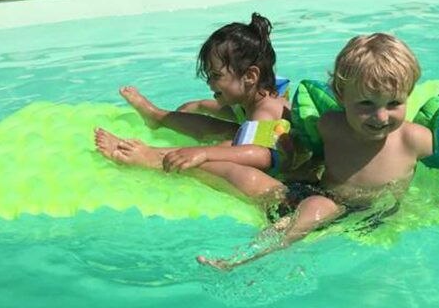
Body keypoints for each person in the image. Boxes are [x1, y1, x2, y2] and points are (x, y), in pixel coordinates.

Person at [196, 33, 439, 270]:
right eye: (366, 104)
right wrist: (298, 164)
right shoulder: (330, 125)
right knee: (250, 179)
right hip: (323, 195)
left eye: (394, 104)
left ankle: (243, 258)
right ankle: (187, 161)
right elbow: (314, 155)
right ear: (341, 96)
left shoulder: (413, 138)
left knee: (316, 207)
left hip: (371, 213)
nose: (381, 117)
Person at [94, 13, 298, 195]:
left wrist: (204, 152)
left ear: (250, 76)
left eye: (216, 75)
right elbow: (233, 112)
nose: (209, 82)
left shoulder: (264, 112)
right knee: (220, 128)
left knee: (227, 144)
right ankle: (156, 115)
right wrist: (201, 105)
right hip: (261, 137)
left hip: (283, 176)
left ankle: (153, 155)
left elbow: (261, 155)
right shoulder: (254, 96)